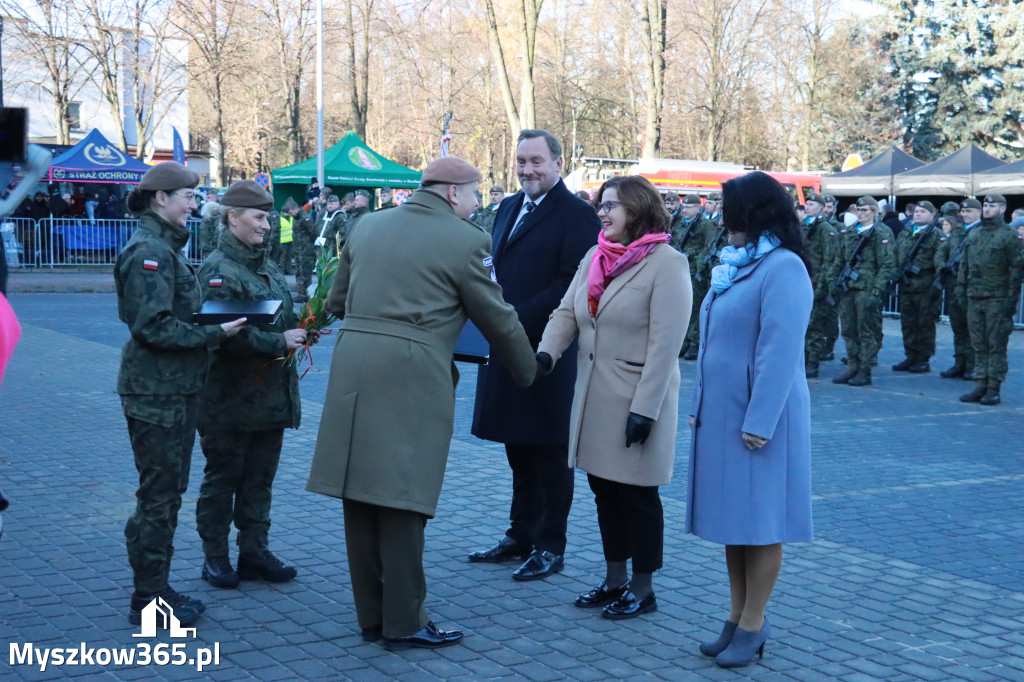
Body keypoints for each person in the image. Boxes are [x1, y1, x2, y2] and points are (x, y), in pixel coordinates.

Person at [305, 156, 538, 649]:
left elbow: (336, 302)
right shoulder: (466, 239)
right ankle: (405, 620)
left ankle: (373, 616)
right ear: (453, 192)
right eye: (476, 194)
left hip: (354, 364)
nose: (478, 205)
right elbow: (497, 317)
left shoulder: (368, 225)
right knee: (404, 499)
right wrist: (530, 371)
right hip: (411, 373)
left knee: (360, 494)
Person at [536, 175, 690, 620]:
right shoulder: (595, 255)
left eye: (611, 206)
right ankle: (614, 579)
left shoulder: (667, 263)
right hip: (594, 396)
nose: (601, 213)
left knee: (637, 497)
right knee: (604, 492)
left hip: (638, 399)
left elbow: (665, 345)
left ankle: (643, 589)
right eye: (601, 205)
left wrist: (646, 409)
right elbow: (568, 311)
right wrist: (546, 354)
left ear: (638, 210)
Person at [687, 171, 814, 669]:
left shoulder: (783, 268)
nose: (723, 221)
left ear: (755, 214)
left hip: (762, 420)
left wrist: (760, 419)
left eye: (731, 213)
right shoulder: (743, 263)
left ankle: (755, 623)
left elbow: (779, 350)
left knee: (761, 524)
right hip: (726, 415)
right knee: (734, 523)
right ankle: (736, 617)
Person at [114, 162, 246, 627]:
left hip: (173, 388)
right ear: (160, 199)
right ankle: (147, 599)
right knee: (159, 496)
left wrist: (213, 319)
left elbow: (174, 315)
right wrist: (214, 334)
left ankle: (155, 588)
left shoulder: (163, 248)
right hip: (157, 391)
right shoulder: (149, 252)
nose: (194, 205)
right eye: (187, 197)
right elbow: (150, 327)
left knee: (167, 492)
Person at [469, 129, 600, 580]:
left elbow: (572, 283)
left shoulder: (578, 215)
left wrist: (511, 316)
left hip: (550, 350)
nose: (527, 170)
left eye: (537, 162)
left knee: (549, 452)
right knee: (516, 446)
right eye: (522, 161)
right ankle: (519, 533)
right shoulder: (507, 207)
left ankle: (550, 544)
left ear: (558, 164)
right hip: (506, 345)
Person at [195, 180, 305, 589]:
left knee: (260, 479)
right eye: (259, 218)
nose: (266, 226)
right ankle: (216, 557)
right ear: (232, 217)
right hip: (228, 400)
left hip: (268, 397)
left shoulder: (267, 265)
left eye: (268, 217)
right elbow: (226, 335)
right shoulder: (218, 271)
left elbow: (280, 316)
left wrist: (305, 326)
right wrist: (280, 341)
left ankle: (254, 550)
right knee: (223, 478)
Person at [956, 194, 1024, 405]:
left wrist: (1010, 301)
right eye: (985, 205)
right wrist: (960, 290)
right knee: (978, 344)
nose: (987, 209)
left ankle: (993, 387)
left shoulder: (1008, 236)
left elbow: (1016, 270)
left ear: (1002, 209)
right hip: (974, 297)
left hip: (997, 298)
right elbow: (963, 266)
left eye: (991, 205)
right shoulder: (974, 234)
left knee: (995, 345)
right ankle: (980, 384)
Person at [830, 196, 896, 386]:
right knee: (849, 330)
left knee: (866, 331)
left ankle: (864, 369)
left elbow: (887, 265)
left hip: (867, 290)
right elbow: (839, 259)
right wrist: (833, 281)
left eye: (865, 210)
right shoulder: (850, 232)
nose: (861, 213)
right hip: (848, 288)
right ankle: (852, 366)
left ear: (875, 212)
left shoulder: (881, 232)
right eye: (858, 210)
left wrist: (877, 290)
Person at [891, 201, 943, 373]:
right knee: (908, 324)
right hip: (907, 287)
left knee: (925, 325)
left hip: (925, 288)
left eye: (923, 211)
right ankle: (910, 356)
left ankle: (923, 359)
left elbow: (940, 263)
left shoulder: (937, 235)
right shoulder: (906, 233)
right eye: (916, 211)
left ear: (932, 215)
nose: (918, 214)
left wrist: (936, 287)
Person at [936, 199, 983, 379]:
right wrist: (942, 265)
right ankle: (960, 362)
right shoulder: (958, 232)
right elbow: (942, 250)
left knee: (972, 328)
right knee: (958, 327)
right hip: (954, 286)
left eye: (969, 211)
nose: (965, 214)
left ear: (979, 212)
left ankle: (972, 365)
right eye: (963, 211)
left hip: (971, 288)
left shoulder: (980, 231)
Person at [670, 194, 713, 360]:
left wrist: (697, 261)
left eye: (689, 207)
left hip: (694, 270)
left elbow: (707, 246)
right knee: (680, 306)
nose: (685, 210)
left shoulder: (705, 225)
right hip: (678, 270)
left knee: (694, 307)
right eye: (684, 207)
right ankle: (684, 340)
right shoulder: (678, 223)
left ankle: (694, 342)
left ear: (697, 207)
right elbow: (672, 242)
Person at [801, 193, 837, 378]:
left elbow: (830, 260)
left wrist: (823, 285)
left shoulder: (825, 229)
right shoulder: (801, 226)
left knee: (814, 325)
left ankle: (812, 362)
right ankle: (802, 359)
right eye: (807, 203)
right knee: (801, 324)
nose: (808, 206)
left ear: (822, 208)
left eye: (813, 204)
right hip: (800, 281)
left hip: (816, 283)